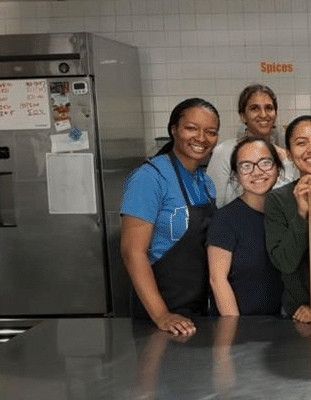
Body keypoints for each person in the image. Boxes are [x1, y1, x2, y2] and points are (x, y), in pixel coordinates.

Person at [120, 98, 220, 335]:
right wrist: (161, 315)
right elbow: (132, 252)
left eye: (211, 132)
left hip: (197, 313)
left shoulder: (206, 183)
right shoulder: (149, 178)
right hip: (158, 317)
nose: (201, 138)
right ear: (174, 129)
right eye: (191, 128)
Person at [265, 115, 311, 324]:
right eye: (301, 143)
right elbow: (285, 263)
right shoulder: (278, 200)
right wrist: (301, 214)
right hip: (298, 314)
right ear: (288, 153)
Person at [207, 136, 285, 316]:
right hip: (240, 328)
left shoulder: (284, 214)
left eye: (265, 163)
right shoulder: (226, 219)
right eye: (246, 166)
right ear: (236, 175)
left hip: (278, 327)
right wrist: (235, 329)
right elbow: (217, 280)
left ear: (278, 168)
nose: (257, 172)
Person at [207, 84, 299, 208]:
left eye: (269, 108)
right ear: (243, 115)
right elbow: (213, 204)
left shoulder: (287, 158)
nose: (263, 114)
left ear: (275, 113)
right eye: (255, 108)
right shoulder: (224, 152)